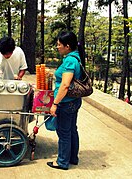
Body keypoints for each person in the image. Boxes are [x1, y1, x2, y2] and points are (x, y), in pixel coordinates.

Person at [47, 31, 83, 170]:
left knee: (64, 133)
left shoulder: (70, 60)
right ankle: (73, 158)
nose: (57, 47)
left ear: (67, 46)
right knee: (72, 130)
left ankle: (62, 162)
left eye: (59, 44)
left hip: (66, 103)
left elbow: (65, 84)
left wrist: (55, 103)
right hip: (73, 101)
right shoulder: (75, 57)